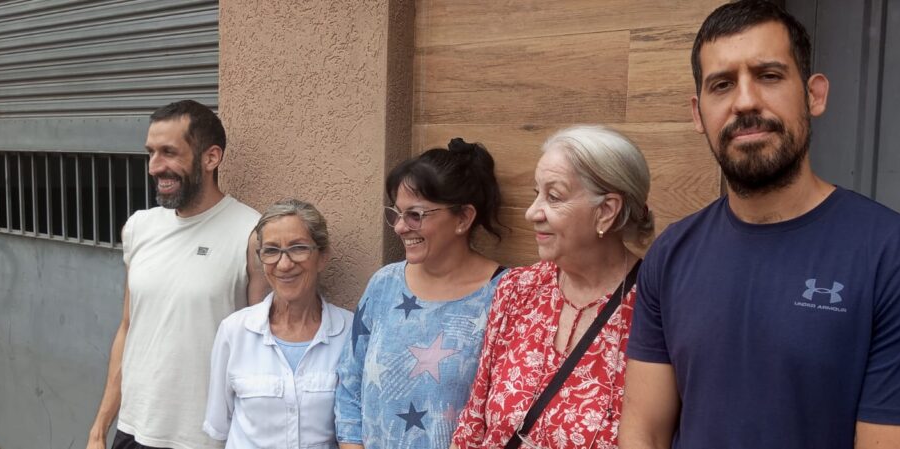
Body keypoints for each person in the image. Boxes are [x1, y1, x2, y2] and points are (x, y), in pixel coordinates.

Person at [620, 2, 900, 449]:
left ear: (814, 95)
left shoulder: (899, 260)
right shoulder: (670, 255)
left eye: (769, 75)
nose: (745, 101)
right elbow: (643, 431)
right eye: (722, 85)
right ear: (698, 113)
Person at [451, 125, 654, 449]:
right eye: (536, 194)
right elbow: (473, 424)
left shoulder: (652, 308)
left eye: (554, 197)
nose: (532, 213)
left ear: (606, 211)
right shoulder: (517, 290)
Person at [87, 100, 270, 449]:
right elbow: (128, 328)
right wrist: (99, 428)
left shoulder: (250, 233)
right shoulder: (139, 227)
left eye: (169, 152)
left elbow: (260, 348)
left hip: (205, 438)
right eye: (151, 153)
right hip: (133, 429)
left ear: (211, 158)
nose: (154, 167)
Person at [335, 138, 507, 449]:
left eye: (415, 215)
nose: (400, 227)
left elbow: (508, 411)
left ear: (463, 218)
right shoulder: (384, 284)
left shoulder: (505, 294)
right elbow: (350, 384)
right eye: (396, 214)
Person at [204, 199, 353, 449]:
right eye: (271, 251)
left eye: (298, 248)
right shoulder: (235, 331)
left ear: (322, 257)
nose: (284, 264)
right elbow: (219, 427)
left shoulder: (349, 332)